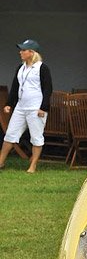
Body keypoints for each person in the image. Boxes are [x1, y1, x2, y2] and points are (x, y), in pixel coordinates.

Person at [0, 39, 53, 174]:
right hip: (21, 107)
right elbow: (15, 87)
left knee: (36, 136)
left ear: (31, 52)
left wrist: (43, 107)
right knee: (10, 135)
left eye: (23, 50)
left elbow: (48, 89)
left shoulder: (42, 68)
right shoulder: (21, 68)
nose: (20, 52)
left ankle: (33, 166)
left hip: (36, 108)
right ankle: (0, 162)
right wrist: (9, 104)